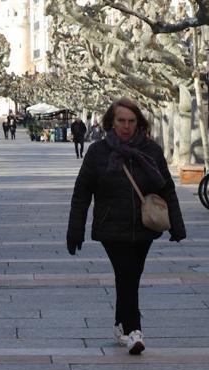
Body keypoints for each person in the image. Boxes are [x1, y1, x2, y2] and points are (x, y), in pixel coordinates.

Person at [66, 97, 186, 355]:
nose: (126, 126)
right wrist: (75, 229)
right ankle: (135, 331)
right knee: (126, 272)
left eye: (131, 121)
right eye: (121, 120)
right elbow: (82, 192)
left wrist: (177, 224)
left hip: (145, 225)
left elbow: (167, 188)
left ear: (138, 123)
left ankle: (121, 325)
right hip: (111, 226)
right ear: (112, 122)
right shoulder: (98, 152)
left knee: (131, 274)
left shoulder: (151, 151)